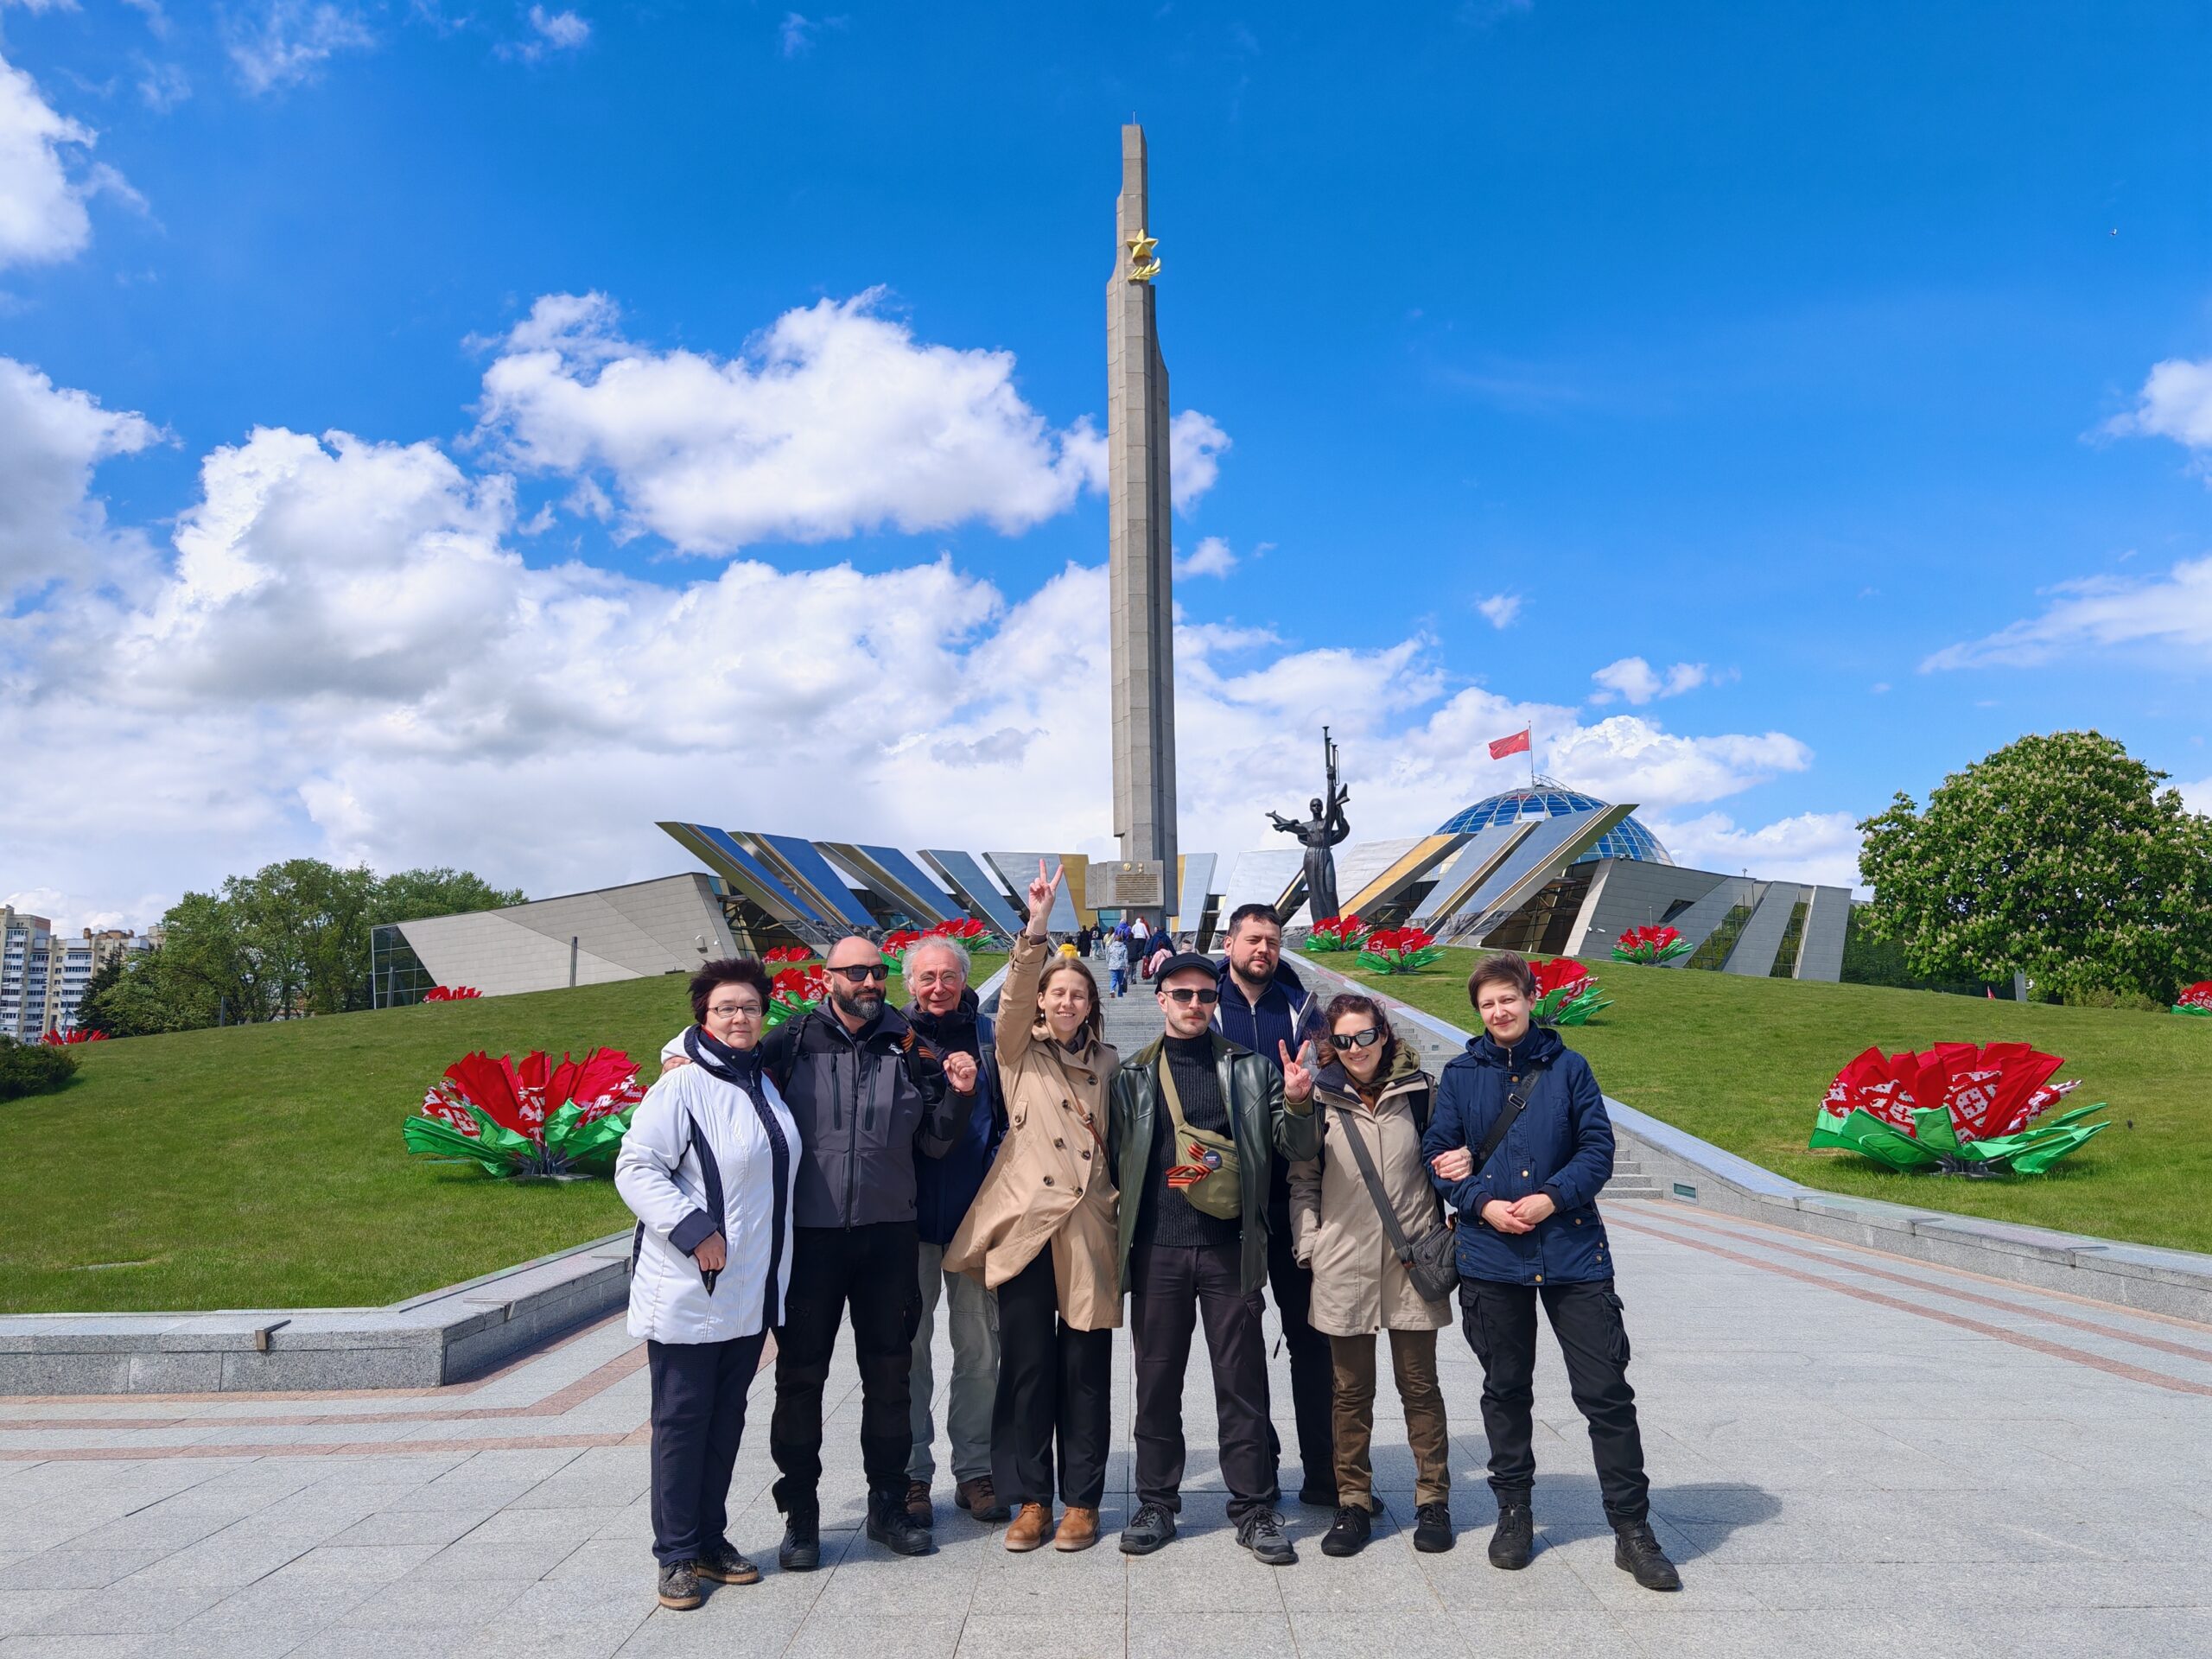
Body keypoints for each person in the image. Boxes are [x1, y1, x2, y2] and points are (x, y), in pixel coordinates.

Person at [660, 934, 974, 1567]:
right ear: (828, 977)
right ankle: (800, 1515)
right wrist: (676, 1054)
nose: (868, 981)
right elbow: (727, 1051)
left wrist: (960, 1095)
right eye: (854, 971)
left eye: (876, 971)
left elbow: (937, 1142)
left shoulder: (909, 1044)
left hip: (889, 1236)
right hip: (808, 1241)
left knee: (890, 1377)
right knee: (800, 1379)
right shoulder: (792, 1040)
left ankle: (888, 1505)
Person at [1423, 950, 1681, 1592]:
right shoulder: (1460, 1075)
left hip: (1571, 1254)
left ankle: (1632, 1530)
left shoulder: (1570, 1069)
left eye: (1508, 998)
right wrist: (1481, 1202)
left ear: (1531, 998)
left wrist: (1551, 1198)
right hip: (1491, 1256)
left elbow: (1597, 1149)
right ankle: (1514, 1514)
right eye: (1487, 1004)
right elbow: (1438, 1154)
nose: (1499, 1011)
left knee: (1606, 1395)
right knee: (1506, 1390)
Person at [1110, 950, 1322, 1567]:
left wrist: (1299, 1101)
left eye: (1206, 995)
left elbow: (1296, 1147)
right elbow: (1121, 1162)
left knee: (1242, 1382)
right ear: (1161, 1000)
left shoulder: (1252, 1069)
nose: (1195, 1005)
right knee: (1156, 1384)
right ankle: (1156, 1503)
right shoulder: (1133, 1075)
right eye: (1183, 994)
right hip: (1158, 1250)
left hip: (1231, 1249)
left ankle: (1254, 1509)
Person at [946, 862, 1120, 1554]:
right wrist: (1037, 929)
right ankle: (1031, 1499)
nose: (1067, 1002)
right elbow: (1013, 996)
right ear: (1042, 1002)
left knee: (1085, 1371)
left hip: (1087, 1228)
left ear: (1091, 1004)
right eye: (1057, 993)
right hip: (1027, 1227)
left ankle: (1082, 1501)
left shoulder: (1110, 1064)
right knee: (1026, 1368)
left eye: (1078, 994)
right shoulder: (1017, 1050)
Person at [617, 957, 798, 1611]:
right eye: (726, 1008)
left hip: (747, 1292)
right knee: (682, 1422)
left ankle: (709, 1540)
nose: (739, 1017)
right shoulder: (681, 1085)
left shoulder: (761, 1082)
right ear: (704, 1016)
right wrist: (694, 1229)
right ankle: (675, 1554)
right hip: (690, 1285)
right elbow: (636, 1167)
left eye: (749, 1006)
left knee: (725, 1421)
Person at [1289, 994, 1453, 1558]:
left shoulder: (1422, 1093)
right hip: (1345, 1262)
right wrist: (1311, 1245)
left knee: (1420, 1387)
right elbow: (1303, 1180)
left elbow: (1443, 1165)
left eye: (1365, 1036)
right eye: (1343, 1040)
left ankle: (1433, 1499)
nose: (1355, 1048)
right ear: (1330, 1044)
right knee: (1350, 1392)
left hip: (1412, 1262)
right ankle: (1353, 1502)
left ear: (1383, 1034)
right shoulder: (1319, 1099)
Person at [1210, 903, 1335, 1508]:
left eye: (1273, 941)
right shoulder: (1204, 1002)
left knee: (1311, 1340)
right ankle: (1259, 1463)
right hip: (1226, 1205)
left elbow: (1333, 1079)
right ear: (1230, 942)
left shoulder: (1302, 1009)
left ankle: (1325, 1471)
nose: (1264, 949)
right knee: (1240, 1345)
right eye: (1254, 938)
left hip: (1292, 1200)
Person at [902, 932, 1008, 1530]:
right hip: (907, 1223)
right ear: (910, 985)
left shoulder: (990, 1038)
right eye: (927, 977)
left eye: (949, 976)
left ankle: (975, 1470)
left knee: (980, 1351)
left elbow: (1010, 1122)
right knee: (908, 1354)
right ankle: (913, 1474)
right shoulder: (892, 1038)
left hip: (975, 1223)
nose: (938, 987)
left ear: (966, 981)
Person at [1104, 931, 1131, 1000]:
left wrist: (1108, 962)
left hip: (1112, 965)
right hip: (1121, 965)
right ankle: (1120, 993)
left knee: (1113, 979)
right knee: (1120, 980)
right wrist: (1126, 965)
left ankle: (1112, 990)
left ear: (1115, 940)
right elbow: (1125, 957)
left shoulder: (1111, 947)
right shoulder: (1124, 947)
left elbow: (1108, 955)